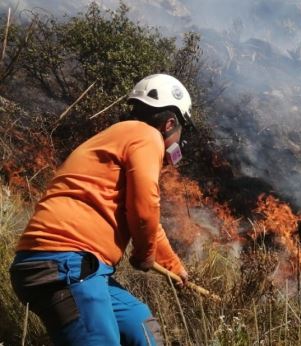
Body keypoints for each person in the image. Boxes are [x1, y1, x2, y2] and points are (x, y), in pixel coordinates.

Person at [9, 74, 193, 345]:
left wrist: (173, 266)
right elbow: (144, 209)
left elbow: (148, 218)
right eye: (182, 131)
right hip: (64, 261)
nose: (180, 141)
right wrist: (144, 254)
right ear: (169, 123)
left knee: (139, 327)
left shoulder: (119, 137)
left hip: (77, 266)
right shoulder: (147, 136)